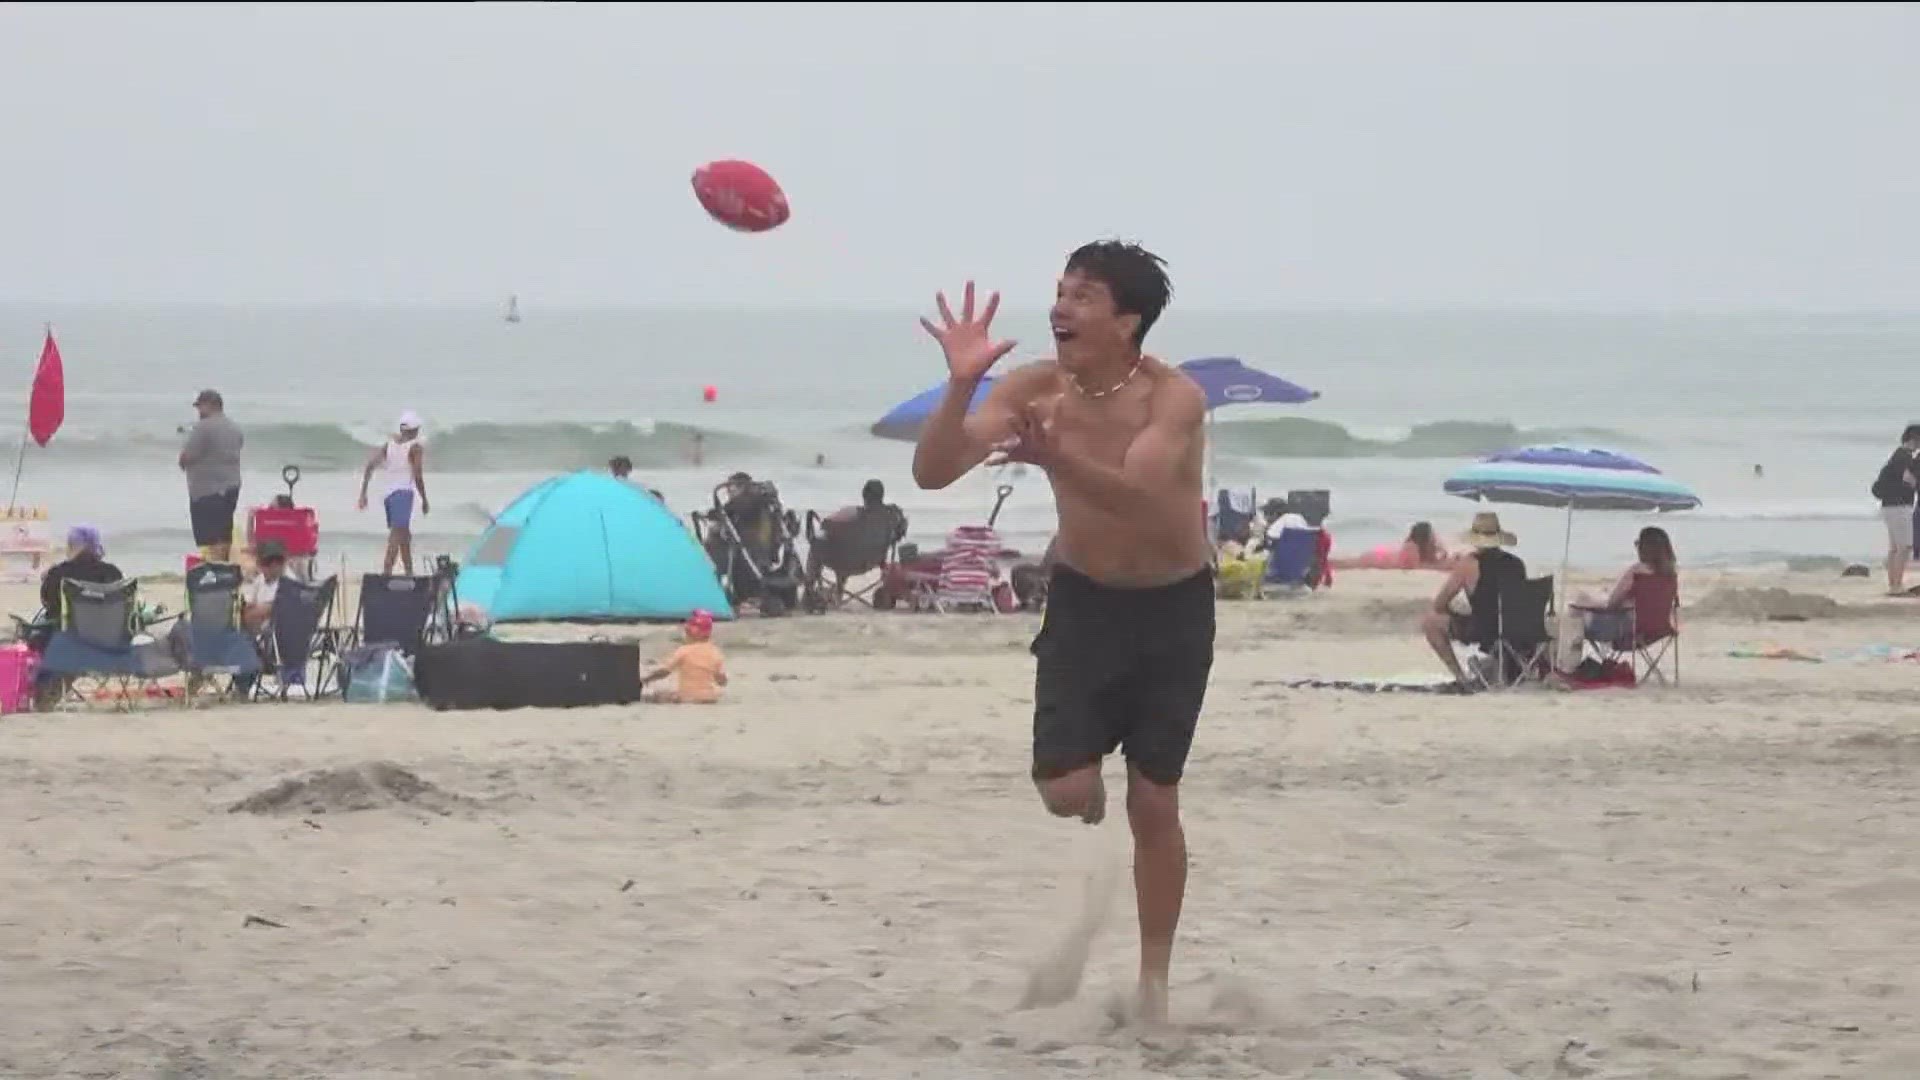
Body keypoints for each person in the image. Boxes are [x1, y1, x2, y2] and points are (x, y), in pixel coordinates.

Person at [911, 241, 1210, 1021]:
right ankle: (1088, 789)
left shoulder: (1173, 399)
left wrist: (1055, 461)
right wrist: (963, 383)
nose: (1060, 309)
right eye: (1060, 292)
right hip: (1085, 601)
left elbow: (1139, 496)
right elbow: (933, 472)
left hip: (1174, 605)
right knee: (1066, 791)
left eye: (1083, 297)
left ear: (1128, 319)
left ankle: (1153, 983)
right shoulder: (1034, 388)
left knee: (1155, 801)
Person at [1419, 513, 1527, 688]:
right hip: (1517, 633)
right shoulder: (1517, 564)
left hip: (1485, 630)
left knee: (1431, 622)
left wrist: (1456, 611)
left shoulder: (1469, 564)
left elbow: (1439, 604)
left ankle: (1460, 677)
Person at [357, 411, 430, 575]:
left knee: (404, 534)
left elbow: (370, 466)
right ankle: (386, 572)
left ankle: (409, 572)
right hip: (403, 493)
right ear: (414, 430)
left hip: (389, 495)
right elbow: (417, 474)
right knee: (397, 535)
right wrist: (424, 499)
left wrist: (363, 493)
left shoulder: (389, 445)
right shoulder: (415, 447)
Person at [179, 389, 245, 562]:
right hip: (232, 487)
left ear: (210, 405)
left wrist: (182, 461)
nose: (199, 412)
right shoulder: (234, 428)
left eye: (200, 407)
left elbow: (188, 456)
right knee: (223, 534)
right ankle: (223, 566)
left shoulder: (203, 427)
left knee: (208, 538)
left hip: (207, 490)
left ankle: (214, 568)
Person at [39, 525, 124, 625]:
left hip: (68, 634)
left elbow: (47, 603)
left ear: (71, 546)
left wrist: (47, 579)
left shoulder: (58, 573)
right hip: (109, 635)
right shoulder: (113, 572)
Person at [1871, 425, 1919, 595]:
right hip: (1899, 507)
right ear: (1914, 439)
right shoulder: (1905, 458)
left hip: (1888, 506)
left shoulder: (1897, 455)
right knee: (1904, 547)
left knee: (1895, 548)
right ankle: (1896, 586)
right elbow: (1910, 480)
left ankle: (1894, 584)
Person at [641, 609, 728, 703]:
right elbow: (722, 682)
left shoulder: (684, 650)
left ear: (690, 634)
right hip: (710, 698)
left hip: (687, 697)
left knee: (655, 696)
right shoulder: (715, 652)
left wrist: (646, 679)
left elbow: (665, 671)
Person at [239, 540, 298, 633]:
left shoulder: (290, 583)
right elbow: (249, 601)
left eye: (266, 564)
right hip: (259, 629)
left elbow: (277, 608)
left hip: (273, 634)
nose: (263, 568)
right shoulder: (260, 579)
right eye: (263, 563)